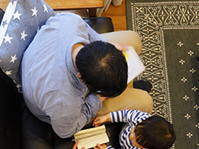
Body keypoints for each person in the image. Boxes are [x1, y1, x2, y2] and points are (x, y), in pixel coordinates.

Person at [20, 12, 152, 139]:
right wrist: (98, 98)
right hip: (58, 111)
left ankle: (129, 87)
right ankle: (129, 89)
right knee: (145, 102)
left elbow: (88, 33)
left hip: (47, 65)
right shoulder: (63, 102)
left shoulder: (72, 22)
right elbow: (65, 132)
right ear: (81, 78)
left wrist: (106, 44)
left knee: (133, 39)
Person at [92, 110, 175, 149]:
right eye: (135, 130)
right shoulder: (142, 118)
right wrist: (107, 117)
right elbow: (125, 114)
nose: (131, 137)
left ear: (147, 148)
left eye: (138, 141)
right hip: (122, 128)